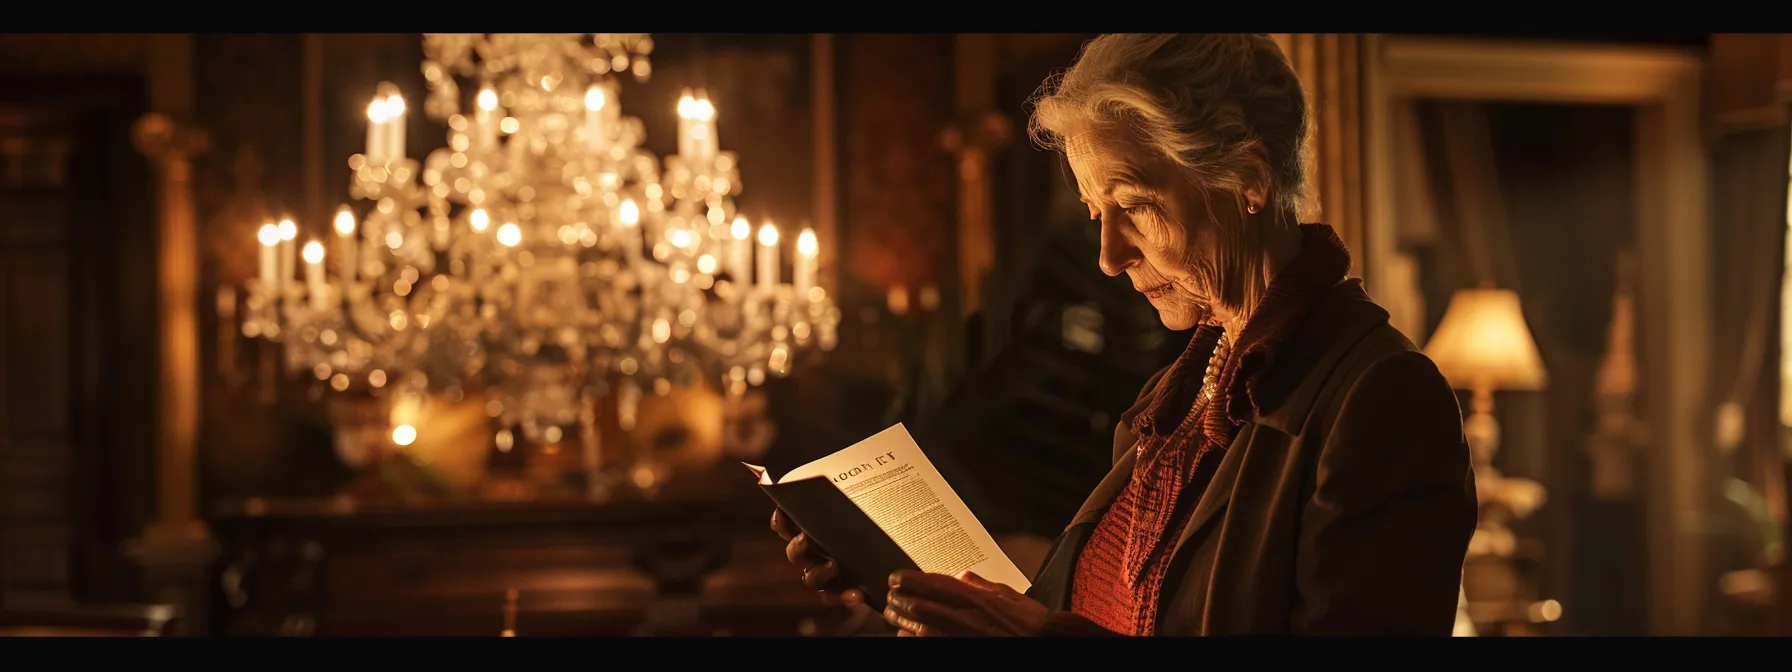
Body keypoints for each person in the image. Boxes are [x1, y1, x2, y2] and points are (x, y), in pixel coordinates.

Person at [770, 33, 1477, 636]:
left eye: (1134, 204)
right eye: (1094, 210)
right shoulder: (1170, 405)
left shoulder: (1380, 397)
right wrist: (905, 591)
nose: (1109, 256)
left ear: (1248, 180)